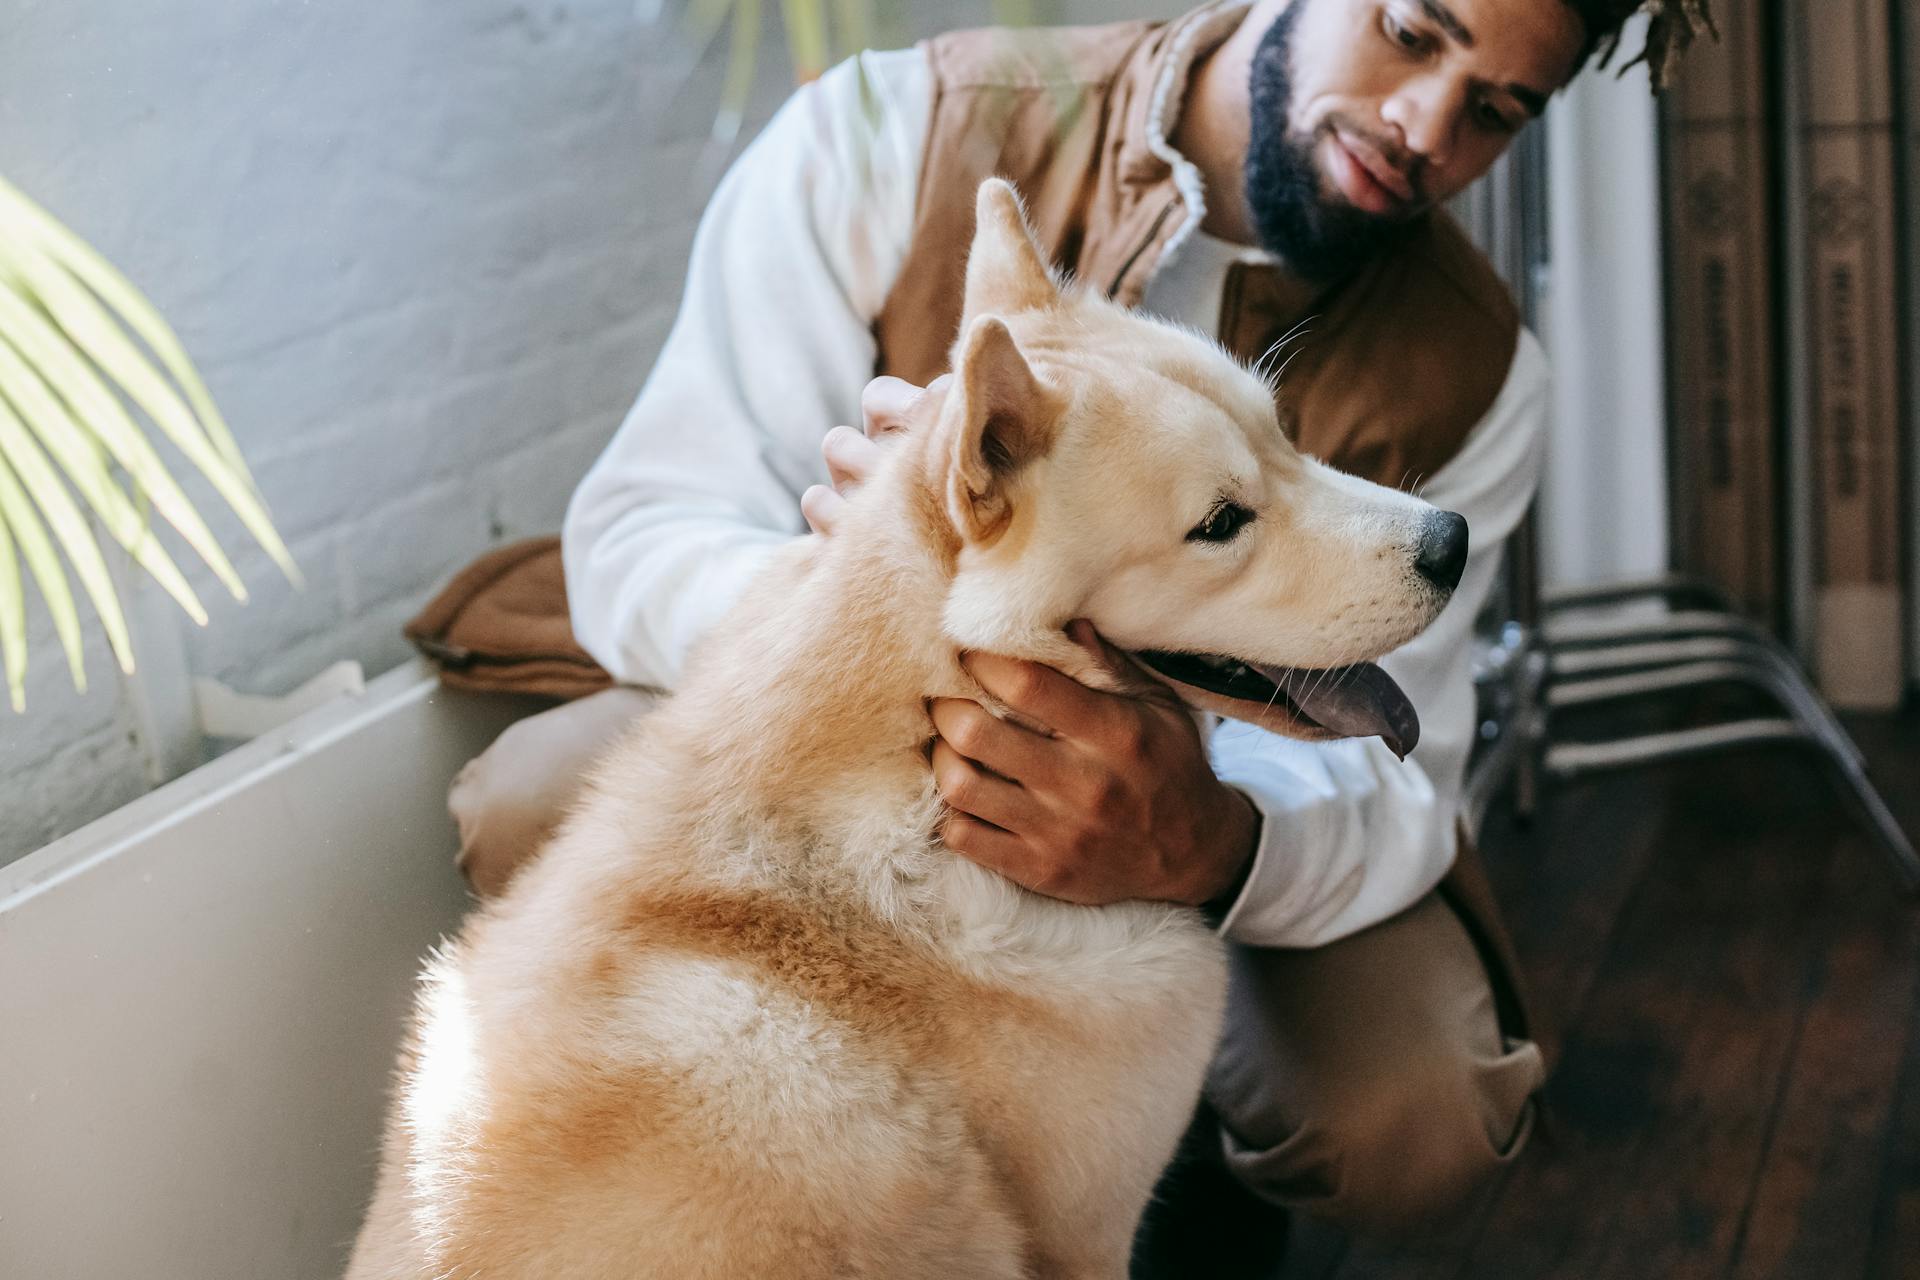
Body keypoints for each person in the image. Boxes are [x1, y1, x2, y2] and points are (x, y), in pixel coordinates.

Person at [444, 0, 1712, 1264]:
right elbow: (645, 525)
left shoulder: (1479, 367)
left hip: (1211, 806)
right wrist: (887, 588)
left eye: (1496, 109)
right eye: (1413, 31)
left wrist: (1205, 836)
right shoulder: (890, 132)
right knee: (533, 802)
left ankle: (1159, 1174)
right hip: (834, 724)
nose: (1424, 125)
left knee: (1414, 1111)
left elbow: (1399, 777)